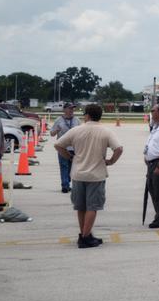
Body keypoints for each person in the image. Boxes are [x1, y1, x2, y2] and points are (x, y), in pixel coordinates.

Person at [54, 103, 123, 249]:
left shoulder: (76, 130)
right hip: (96, 175)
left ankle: (84, 233)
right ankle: (85, 237)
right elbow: (118, 148)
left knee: (81, 207)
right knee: (92, 207)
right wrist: (110, 161)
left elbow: (58, 145)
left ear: (87, 115)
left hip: (78, 174)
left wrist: (70, 157)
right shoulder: (105, 131)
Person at [49, 102, 81, 193]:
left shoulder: (77, 120)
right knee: (64, 166)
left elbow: (82, 133)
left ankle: (67, 180)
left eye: (73, 108)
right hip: (62, 147)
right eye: (70, 108)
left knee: (72, 167)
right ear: (64, 110)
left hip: (74, 148)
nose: (72, 110)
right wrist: (57, 130)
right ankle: (65, 186)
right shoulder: (59, 120)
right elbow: (52, 134)